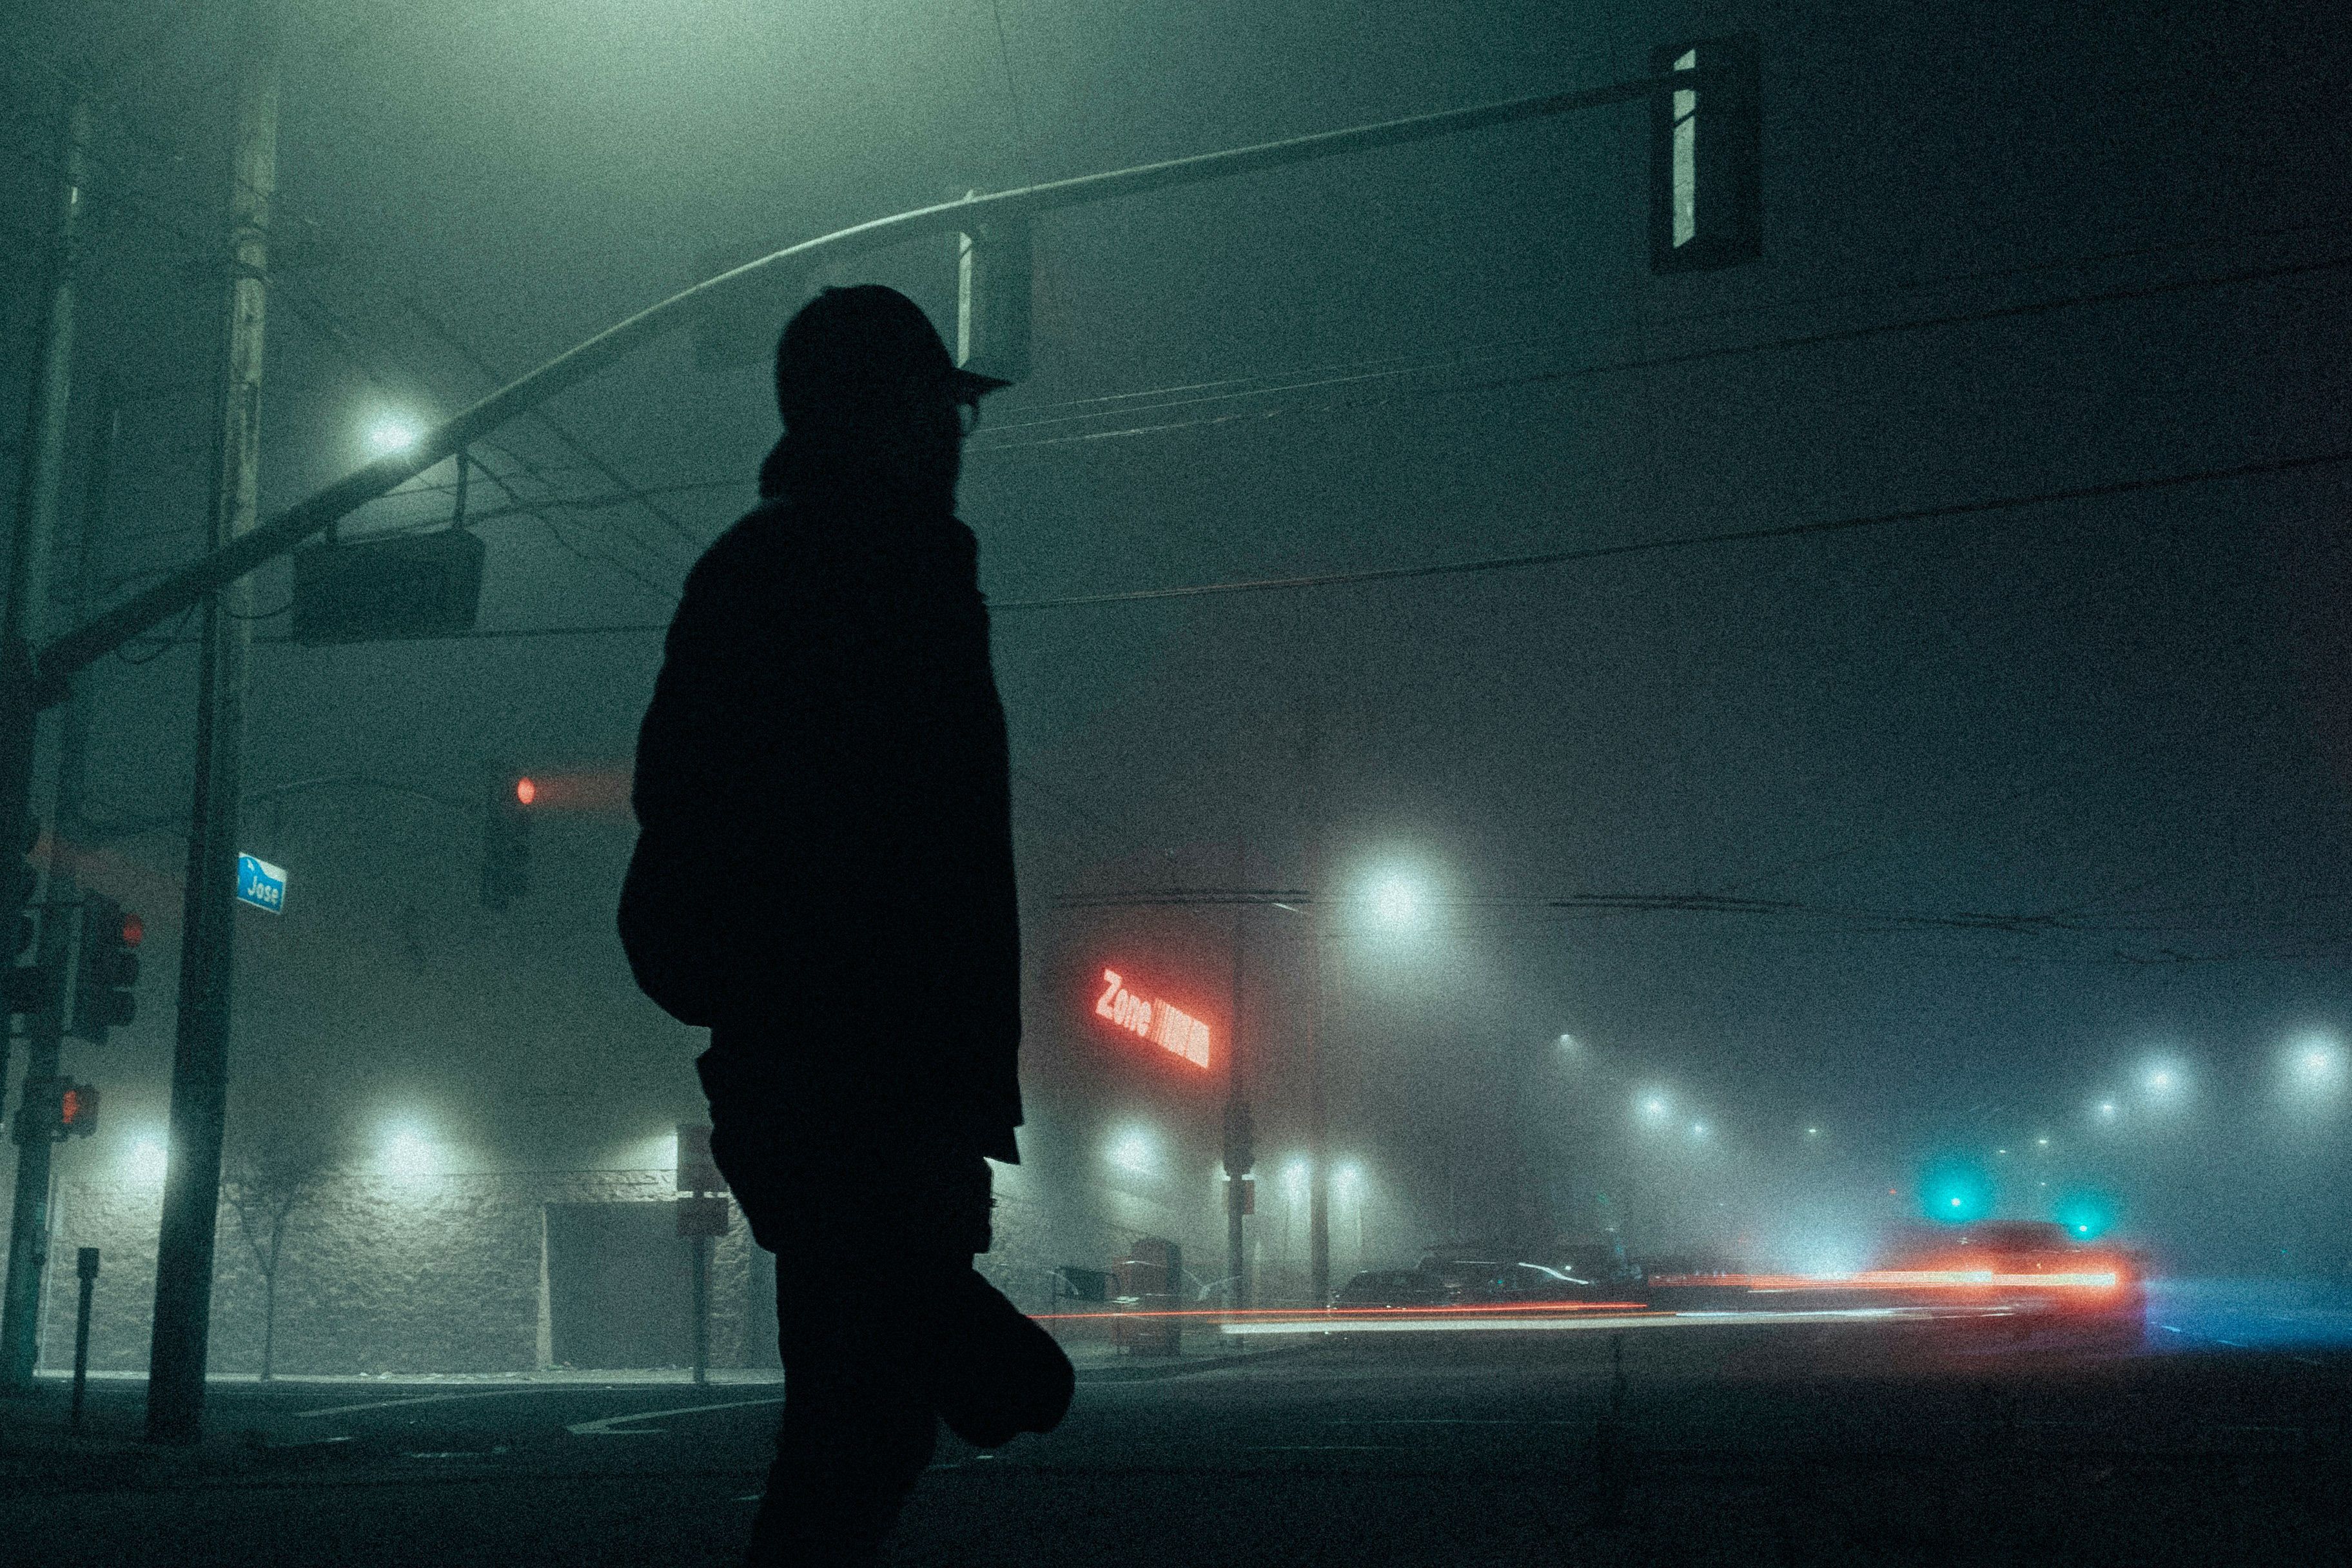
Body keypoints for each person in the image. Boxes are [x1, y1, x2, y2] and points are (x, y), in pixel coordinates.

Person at [620, 284, 1073, 1565]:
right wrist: (920, 1070)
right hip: (864, 1074)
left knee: (865, 1416)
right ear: (882, 411)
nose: (955, 435)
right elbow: (910, 852)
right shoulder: (866, 564)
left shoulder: (787, 563)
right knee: (873, 1420)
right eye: (940, 407)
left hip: (843, 1071)